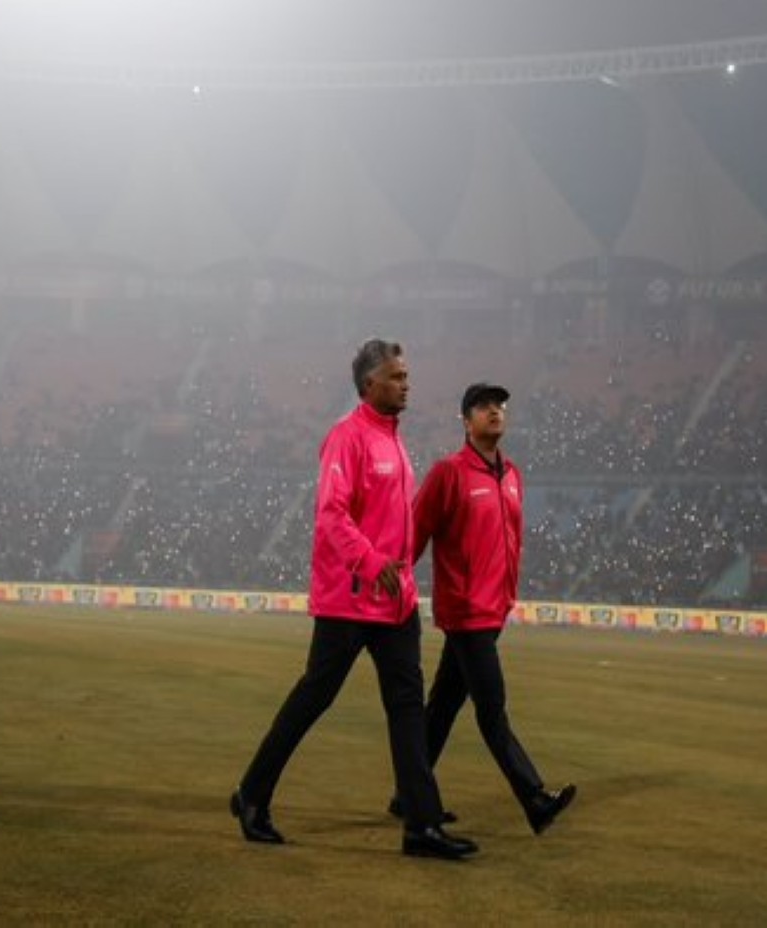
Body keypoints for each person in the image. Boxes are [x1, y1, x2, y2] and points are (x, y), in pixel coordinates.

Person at [230, 339, 477, 862]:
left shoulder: (393, 441)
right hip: (349, 600)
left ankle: (422, 826)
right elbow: (331, 515)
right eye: (396, 376)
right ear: (369, 384)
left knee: (409, 710)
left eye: (406, 375)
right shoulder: (347, 437)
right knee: (313, 699)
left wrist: (405, 582)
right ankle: (252, 795)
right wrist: (371, 564)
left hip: (395, 603)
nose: (406, 383)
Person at [395, 381, 576, 835]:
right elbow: (414, 534)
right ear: (466, 420)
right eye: (482, 406)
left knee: (441, 708)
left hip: (494, 610)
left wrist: (508, 596)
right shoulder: (449, 473)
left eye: (499, 405)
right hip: (466, 612)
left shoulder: (512, 475)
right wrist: (391, 582)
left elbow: (512, 542)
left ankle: (407, 794)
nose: (494, 411)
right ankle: (534, 798)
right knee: (491, 708)